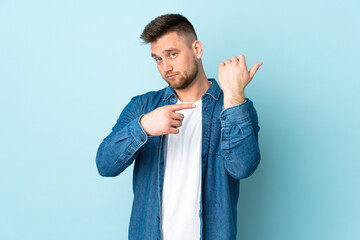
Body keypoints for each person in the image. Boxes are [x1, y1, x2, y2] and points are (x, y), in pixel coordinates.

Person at [96, 13, 262, 240]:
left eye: (172, 54)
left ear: (197, 49)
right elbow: (105, 165)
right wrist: (143, 127)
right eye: (157, 59)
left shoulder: (235, 107)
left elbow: (243, 167)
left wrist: (233, 99)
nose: (166, 67)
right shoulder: (142, 107)